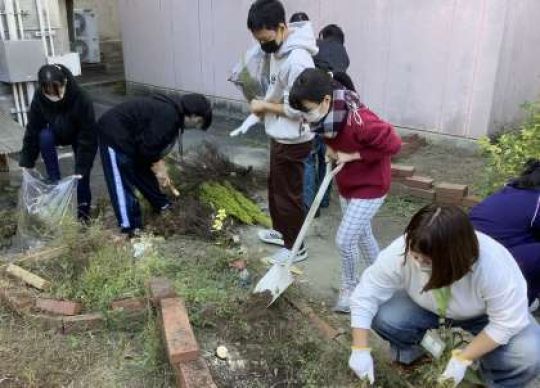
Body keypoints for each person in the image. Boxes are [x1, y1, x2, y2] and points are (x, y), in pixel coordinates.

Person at [348, 204, 540, 387]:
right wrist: (360, 349)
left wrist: (463, 358)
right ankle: (413, 357)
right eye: (416, 257)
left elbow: (507, 322)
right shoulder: (402, 250)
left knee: (528, 351)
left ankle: (494, 380)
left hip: (484, 315)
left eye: (428, 261)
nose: (419, 264)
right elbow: (366, 294)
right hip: (427, 307)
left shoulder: (493, 267)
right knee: (387, 316)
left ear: (455, 257)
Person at [289, 68, 401, 312]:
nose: (306, 117)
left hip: (372, 186)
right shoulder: (326, 118)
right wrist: (331, 149)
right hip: (348, 184)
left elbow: (394, 144)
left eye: (307, 110)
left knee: (345, 239)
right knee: (362, 235)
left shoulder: (360, 120)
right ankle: (385, 281)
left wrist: (353, 155)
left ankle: (350, 287)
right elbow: (332, 138)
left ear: (326, 101)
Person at [247, 0, 318, 263]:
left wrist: (264, 105)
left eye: (265, 39)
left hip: (295, 139)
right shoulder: (278, 51)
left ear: (280, 27)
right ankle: (283, 233)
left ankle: (296, 247)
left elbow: (300, 108)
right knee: (276, 190)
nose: (263, 45)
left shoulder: (298, 59)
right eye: (259, 41)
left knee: (288, 195)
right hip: (279, 135)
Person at [97, 93, 212, 236]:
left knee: (143, 170)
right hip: (114, 133)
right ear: (193, 115)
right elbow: (149, 148)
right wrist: (160, 167)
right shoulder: (169, 115)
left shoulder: (174, 112)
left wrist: (159, 166)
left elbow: (150, 148)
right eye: (198, 122)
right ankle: (130, 228)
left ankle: (162, 205)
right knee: (120, 181)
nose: (196, 126)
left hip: (134, 140)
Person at [19, 64, 97, 221]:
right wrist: (27, 161)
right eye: (48, 90)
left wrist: (81, 168)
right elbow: (33, 129)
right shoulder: (40, 98)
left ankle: (84, 216)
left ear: (65, 82)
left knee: (82, 176)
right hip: (56, 131)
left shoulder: (81, 98)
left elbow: (88, 137)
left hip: (79, 135)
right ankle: (53, 179)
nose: (53, 94)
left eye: (57, 89)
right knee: (44, 135)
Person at [470, 159, 540, 305]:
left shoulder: (508, 190)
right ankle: (522, 301)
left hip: (466, 253)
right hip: (489, 264)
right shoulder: (537, 201)